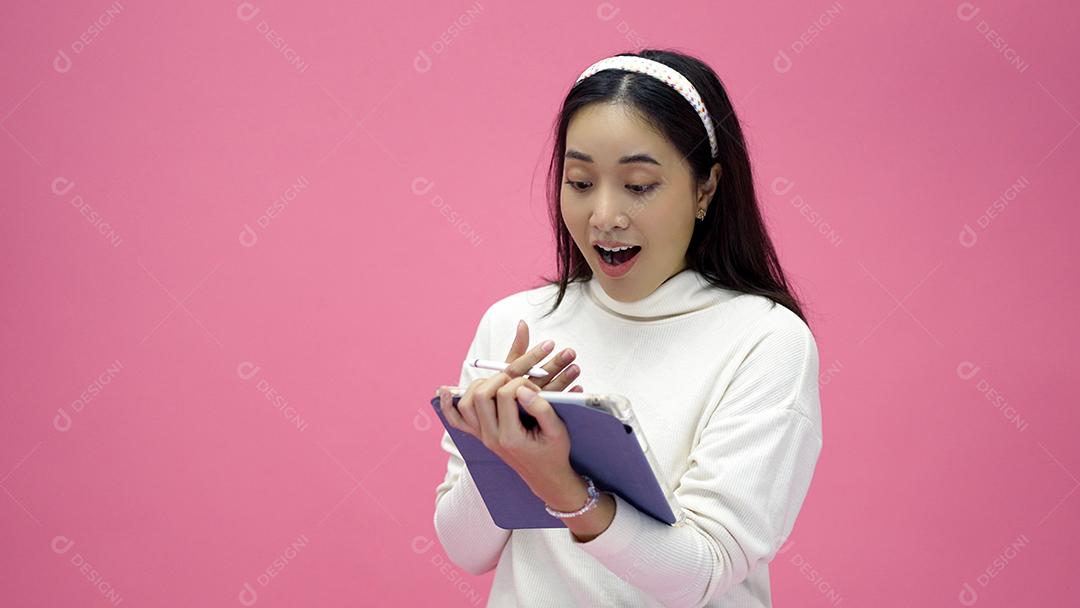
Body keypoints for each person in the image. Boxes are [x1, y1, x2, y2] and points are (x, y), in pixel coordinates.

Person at [433, 48, 823, 608]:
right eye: (580, 181)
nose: (603, 216)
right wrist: (504, 453)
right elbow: (464, 549)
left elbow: (703, 573)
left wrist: (564, 488)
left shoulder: (765, 340)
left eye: (638, 185)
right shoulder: (515, 324)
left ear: (706, 189)